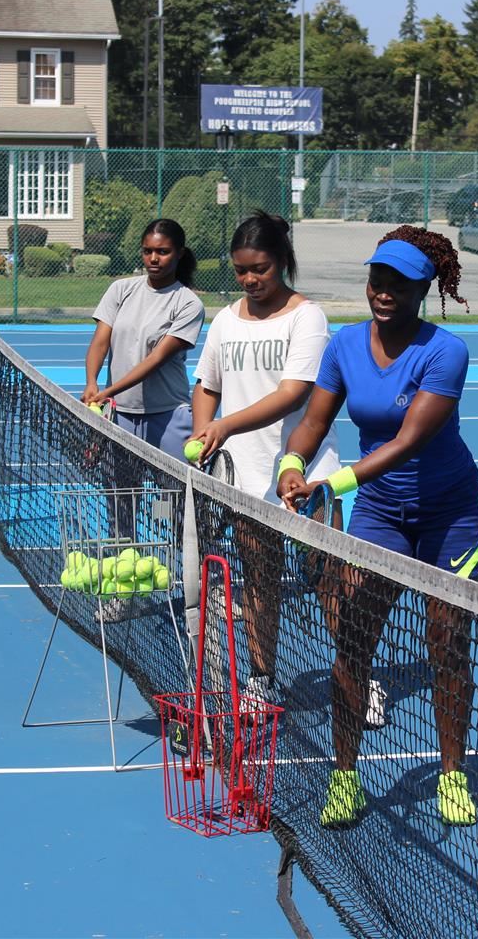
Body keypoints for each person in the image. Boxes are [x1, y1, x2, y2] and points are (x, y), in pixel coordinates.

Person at [277, 225, 478, 829]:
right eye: (377, 279)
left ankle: (452, 774)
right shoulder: (344, 345)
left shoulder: (445, 351)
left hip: (450, 515)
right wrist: (293, 463)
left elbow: (409, 439)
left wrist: (334, 484)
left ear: (424, 288)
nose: (385, 291)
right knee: (353, 638)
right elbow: (313, 420)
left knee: (447, 641)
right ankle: (345, 775)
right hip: (380, 514)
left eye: (399, 282)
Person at [186, 211, 340, 707]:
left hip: (306, 476)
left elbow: (295, 394)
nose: (250, 279)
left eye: (261, 268)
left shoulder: (307, 317)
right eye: (241, 270)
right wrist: (201, 434)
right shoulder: (226, 320)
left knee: (328, 584)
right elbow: (206, 386)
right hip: (244, 479)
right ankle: (261, 678)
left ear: (283, 263)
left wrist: (225, 425)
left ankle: (362, 676)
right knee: (259, 582)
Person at [82, 218, 204, 458]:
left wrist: (109, 391)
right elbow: (100, 341)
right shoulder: (120, 289)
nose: (154, 259)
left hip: (168, 415)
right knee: (120, 494)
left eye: (163, 252)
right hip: (119, 415)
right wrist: (91, 382)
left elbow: (156, 358)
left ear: (179, 254)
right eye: (147, 251)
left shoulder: (189, 304)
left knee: (176, 493)